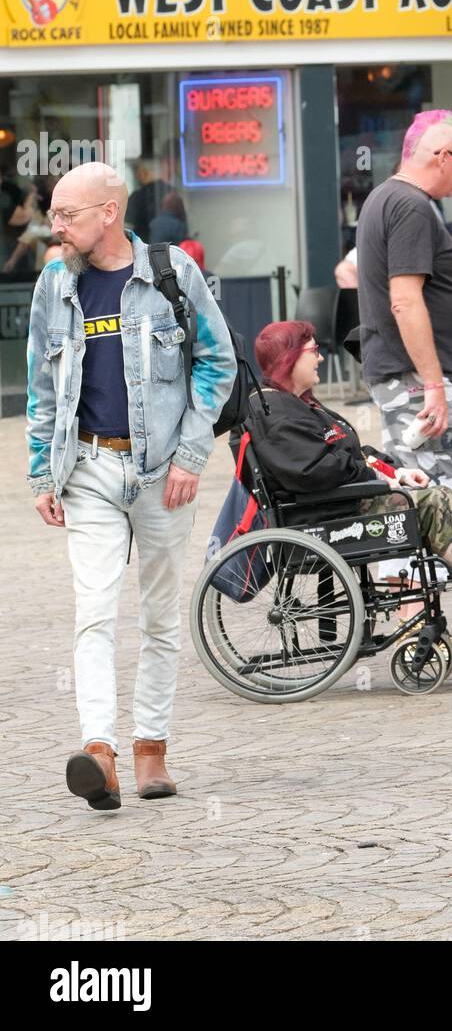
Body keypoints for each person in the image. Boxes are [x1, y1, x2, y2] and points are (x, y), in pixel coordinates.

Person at [26, 161, 237, 811]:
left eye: (67, 214)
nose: (54, 226)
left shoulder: (170, 274)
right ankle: (100, 752)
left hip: (160, 474)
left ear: (108, 213)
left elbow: (217, 359)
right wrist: (42, 469)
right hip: (87, 468)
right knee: (93, 611)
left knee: (158, 616)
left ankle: (151, 747)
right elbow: (40, 383)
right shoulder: (54, 283)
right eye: (54, 215)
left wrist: (190, 456)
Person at [243, 320, 452, 638]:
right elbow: (315, 471)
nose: (321, 357)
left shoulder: (298, 404)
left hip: (343, 503)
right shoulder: (274, 410)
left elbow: (349, 454)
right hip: (327, 515)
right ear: (291, 357)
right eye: (313, 350)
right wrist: (381, 482)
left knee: (445, 498)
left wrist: (395, 473)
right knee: (441, 503)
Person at [356, 110, 452, 523]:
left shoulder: (385, 197)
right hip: (416, 380)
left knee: (411, 498)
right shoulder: (411, 205)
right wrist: (434, 384)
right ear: (444, 157)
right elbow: (405, 300)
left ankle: (401, 576)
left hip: (403, 375)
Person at [124, 158, 171, 244]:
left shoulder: (137, 197)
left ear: (145, 173)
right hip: (170, 249)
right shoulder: (171, 192)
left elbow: (128, 225)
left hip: (144, 248)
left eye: (138, 171)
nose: (137, 175)